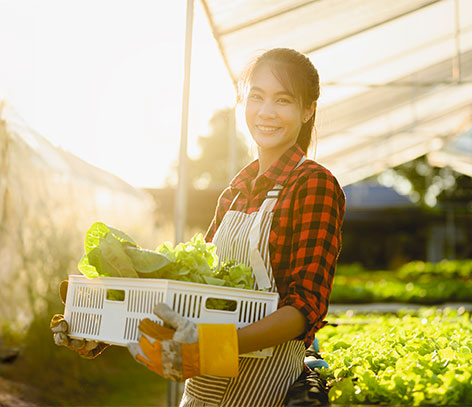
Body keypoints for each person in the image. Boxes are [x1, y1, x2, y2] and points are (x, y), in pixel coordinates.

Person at [51, 47, 345, 406]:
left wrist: (210, 346)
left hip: (265, 388)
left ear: (307, 110)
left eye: (283, 100)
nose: (266, 112)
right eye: (256, 97)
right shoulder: (234, 193)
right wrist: (98, 329)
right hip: (201, 388)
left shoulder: (314, 184)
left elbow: (305, 308)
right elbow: (190, 298)